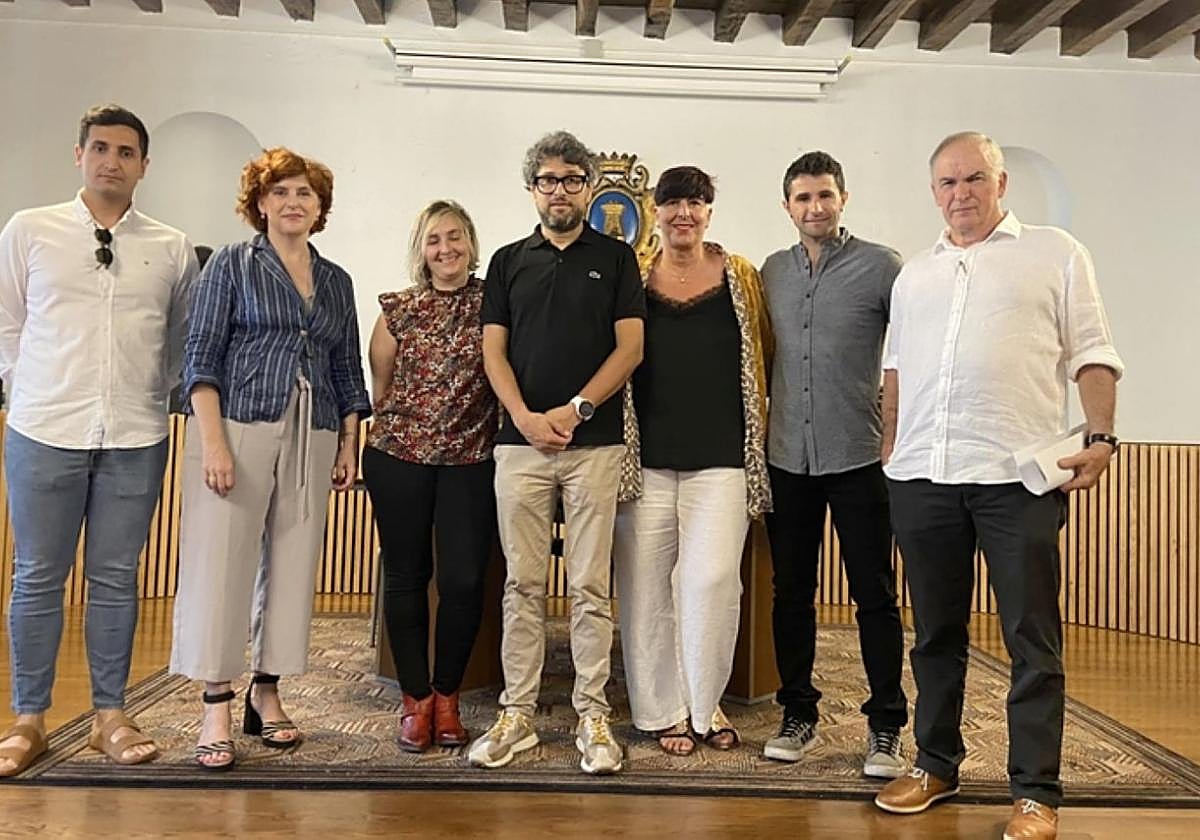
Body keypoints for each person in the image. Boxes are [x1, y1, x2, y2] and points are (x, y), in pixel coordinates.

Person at [873, 132, 1122, 840]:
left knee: (1030, 638)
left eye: (975, 179)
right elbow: (895, 371)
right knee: (934, 636)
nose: (961, 194)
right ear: (933, 192)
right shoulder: (914, 274)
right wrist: (892, 449)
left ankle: (1035, 793)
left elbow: (1094, 351)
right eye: (948, 183)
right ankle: (935, 765)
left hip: (1017, 480)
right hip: (923, 477)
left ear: (1002, 182)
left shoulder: (1056, 253)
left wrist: (1101, 436)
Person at [0, 104, 197, 777]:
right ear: (78, 154)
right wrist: (23, 388)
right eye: (101, 148)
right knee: (36, 576)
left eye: (126, 152)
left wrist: (152, 392)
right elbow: (8, 322)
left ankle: (109, 715)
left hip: (136, 433)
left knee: (116, 578)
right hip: (43, 428)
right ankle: (29, 718)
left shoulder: (171, 246)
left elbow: (178, 339)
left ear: (144, 165)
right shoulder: (30, 229)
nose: (112, 161)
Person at [169, 147, 371, 771]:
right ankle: (215, 702)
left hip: (311, 432)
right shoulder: (231, 264)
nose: (293, 202)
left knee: (292, 562)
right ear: (260, 203)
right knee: (221, 563)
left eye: (305, 194)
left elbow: (346, 369)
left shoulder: (336, 279)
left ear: (320, 208)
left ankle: (269, 689)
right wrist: (213, 444)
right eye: (280, 191)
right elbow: (199, 357)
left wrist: (347, 441)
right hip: (237, 425)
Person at [468, 131, 644, 775]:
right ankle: (517, 715)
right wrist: (523, 417)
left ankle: (592, 715)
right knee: (523, 583)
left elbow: (630, 348)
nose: (560, 190)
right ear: (532, 188)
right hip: (518, 446)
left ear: (590, 187)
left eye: (572, 178)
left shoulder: (618, 258)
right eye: (548, 179)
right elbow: (493, 350)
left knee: (591, 585)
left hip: (593, 444)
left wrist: (576, 411)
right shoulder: (511, 260)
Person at [612, 166, 772, 756]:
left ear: (710, 211)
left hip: (722, 459)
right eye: (673, 202)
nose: (684, 212)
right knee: (645, 588)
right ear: (655, 210)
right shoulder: (631, 274)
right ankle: (662, 711)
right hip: (644, 459)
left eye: (696, 203)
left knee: (711, 582)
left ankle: (705, 704)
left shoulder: (743, 277)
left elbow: (765, 356)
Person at [759, 151, 908, 777]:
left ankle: (885, 726)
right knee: (790, 591)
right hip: (786, 456)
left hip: (858, 457)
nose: (813, 208)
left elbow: (909, 358)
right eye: (802, 198)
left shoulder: (883, 268)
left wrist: (894, 441)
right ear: (787, 206)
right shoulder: (767, 272)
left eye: (824, 195)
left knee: (874, 594)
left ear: (842, 198)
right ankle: (798, 712)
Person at [361, 199, 499, 752]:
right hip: (400, 456)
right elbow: (381, 385)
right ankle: (415, 701)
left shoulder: (495, 301)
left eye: (455, 237)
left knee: (465, 581)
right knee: (406, 575)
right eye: (434, 239)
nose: (446, 249)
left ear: (471, 241)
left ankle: (448, 695)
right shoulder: (399, 308)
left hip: (471, 459)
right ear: (422, 249)